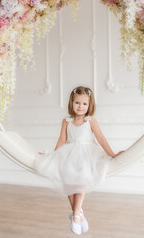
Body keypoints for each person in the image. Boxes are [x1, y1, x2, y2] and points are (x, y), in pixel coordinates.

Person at [34, 86, 123, 235]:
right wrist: (53, 156)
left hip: (87, 154)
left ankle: (75, 216)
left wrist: (112, 154)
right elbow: (62, 140)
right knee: (66, 177)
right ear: (71, 103)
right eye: (77, 103)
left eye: (84, 104)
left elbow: (100, 138)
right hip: (69, 153)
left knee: (81, 178)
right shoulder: (67, 121)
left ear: (89, 105)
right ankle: (79, 213)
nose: (80, 106)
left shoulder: (90, 121)